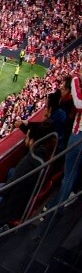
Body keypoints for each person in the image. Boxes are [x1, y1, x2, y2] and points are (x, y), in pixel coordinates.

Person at [0, 121, 56, 235]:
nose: (25, 140)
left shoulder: (29, 161)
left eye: (27, 137)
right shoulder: (44, 154)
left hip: (16, 203)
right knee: (0, 185)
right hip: (25, 195)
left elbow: (9, 187)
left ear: (33, 141)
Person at [51, 65, 82, 208]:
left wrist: (75, 78)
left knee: (69, 173)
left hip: (78, 136)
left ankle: (55, 208)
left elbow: (79, 103)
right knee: (74, 170)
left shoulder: (75, 83)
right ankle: (71, 195)